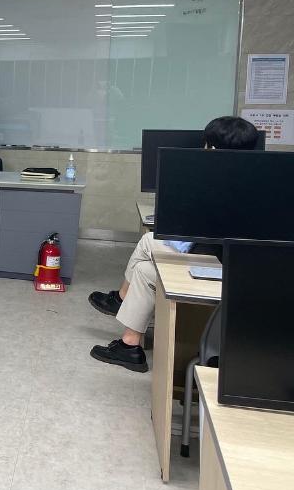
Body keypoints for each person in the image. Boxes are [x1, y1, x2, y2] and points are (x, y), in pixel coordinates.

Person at [88, 116, 260, 373]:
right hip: (234, 266)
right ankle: (130, 345)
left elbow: (194, 234)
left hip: (222, 270)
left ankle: (122, 300)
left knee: (148, 240)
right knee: (144, 271)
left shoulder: (223, 183)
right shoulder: (255, 178)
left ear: (213, 148)